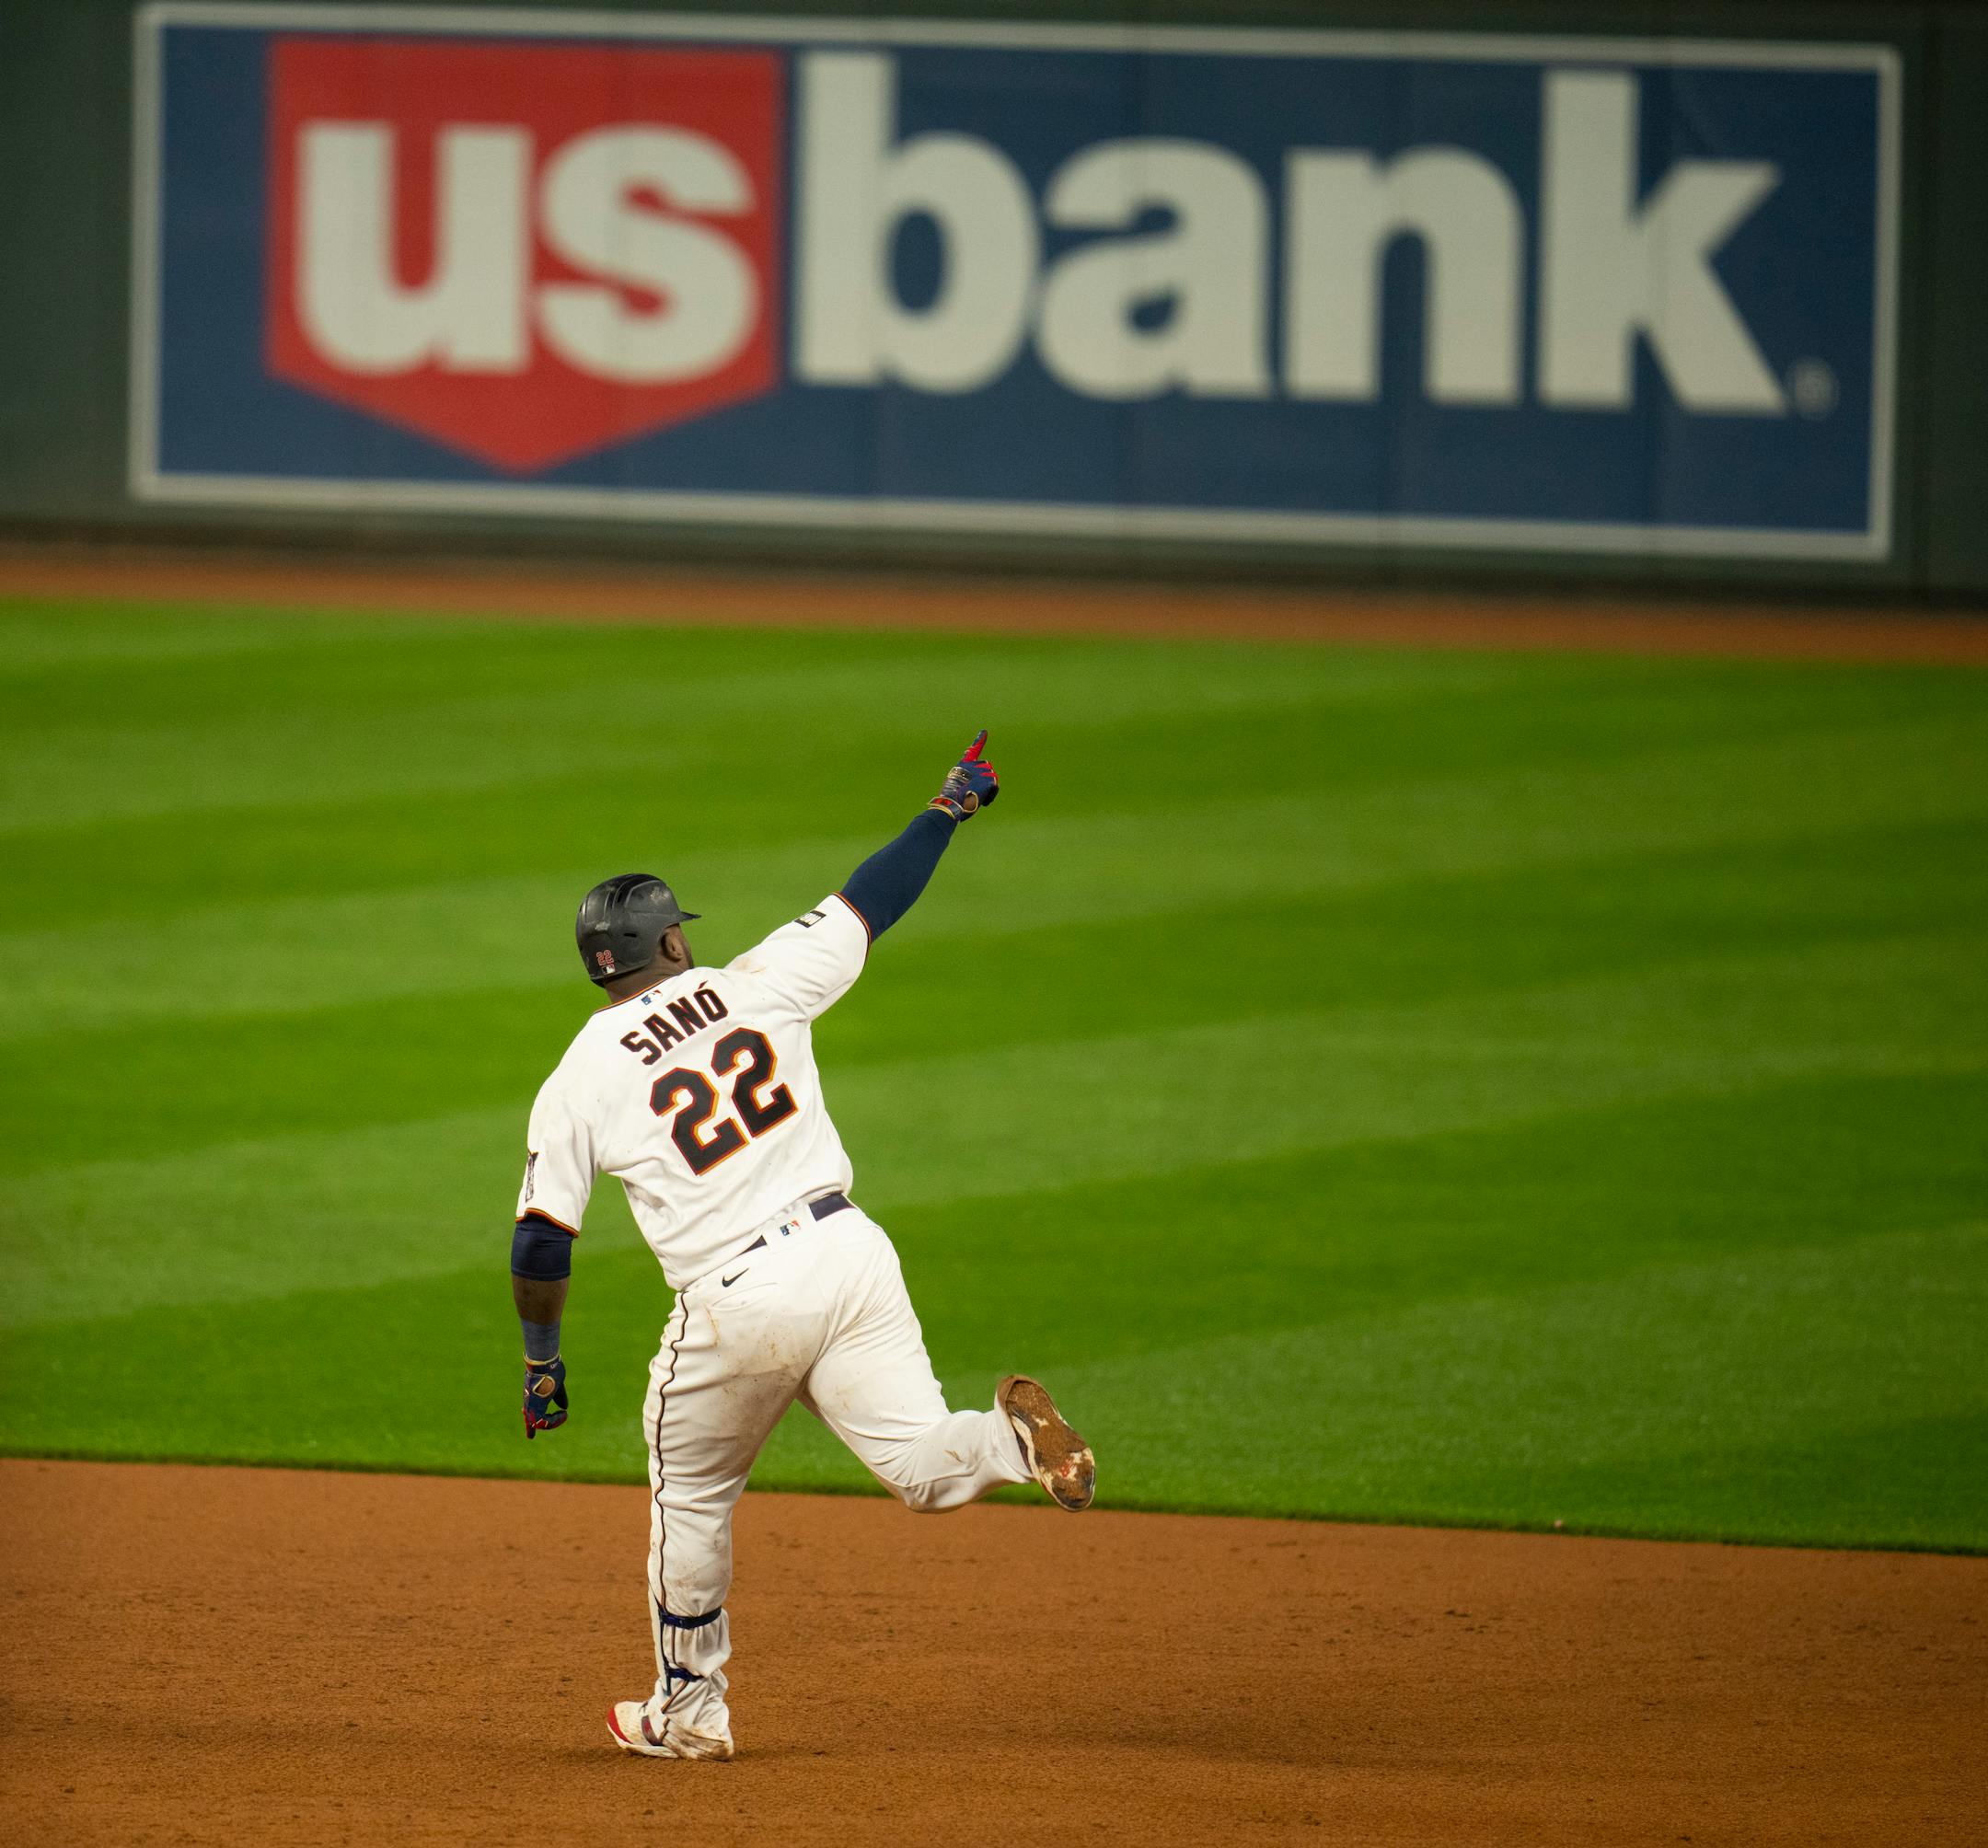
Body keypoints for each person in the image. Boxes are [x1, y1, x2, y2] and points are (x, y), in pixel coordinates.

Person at [508, 731, 1095, 1761]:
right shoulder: (756, 982)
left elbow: (542, 1242)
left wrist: (541, 1364)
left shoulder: (580, 1073)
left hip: (740, 1299)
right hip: (849, 1254)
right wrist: (951, 803)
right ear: (671, 945)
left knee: (690, 1493)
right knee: (916, 1460)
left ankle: (690, 1715)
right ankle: (1008, 1444)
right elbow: (875, 896)